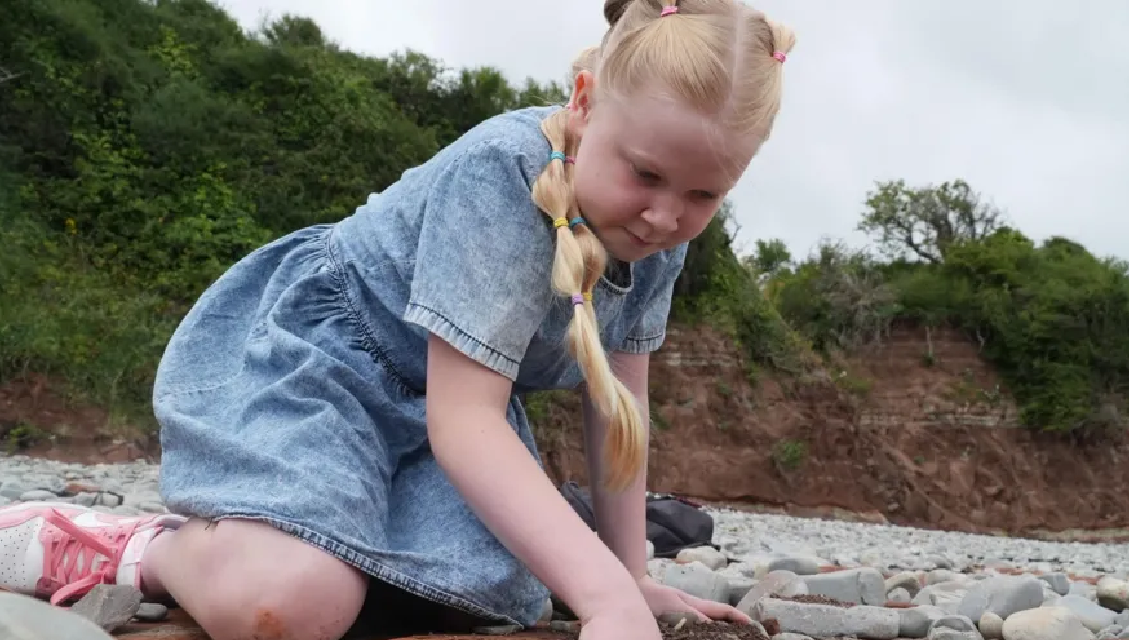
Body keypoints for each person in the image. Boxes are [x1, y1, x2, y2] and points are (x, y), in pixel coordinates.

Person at [0, 0, 795, 638]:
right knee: (294, 605)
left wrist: (630, 577)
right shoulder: (503, 173)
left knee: (479, 593)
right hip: (324, 366)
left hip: (429, 418)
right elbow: (467, 422)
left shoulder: (657, 240)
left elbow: (618, 409)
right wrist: (602, 603)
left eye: (703, 195)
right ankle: (142, 549)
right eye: (646, 174)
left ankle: (280, 534)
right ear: (585, 105)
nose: (664, 216)